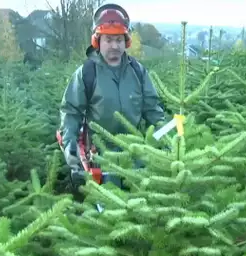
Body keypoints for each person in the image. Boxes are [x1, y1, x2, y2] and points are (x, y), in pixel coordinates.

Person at [58, 3, 166, 176]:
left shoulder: (138, 72)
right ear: (98, 41)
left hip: (135, 158)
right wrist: (73, 158)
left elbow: (153, 111)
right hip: (100, 159)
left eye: (119, 40)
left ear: (126, 42)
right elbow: (71, 114)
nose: (114, 46)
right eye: (108, 39)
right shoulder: (87, 73)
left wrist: (168, 146)